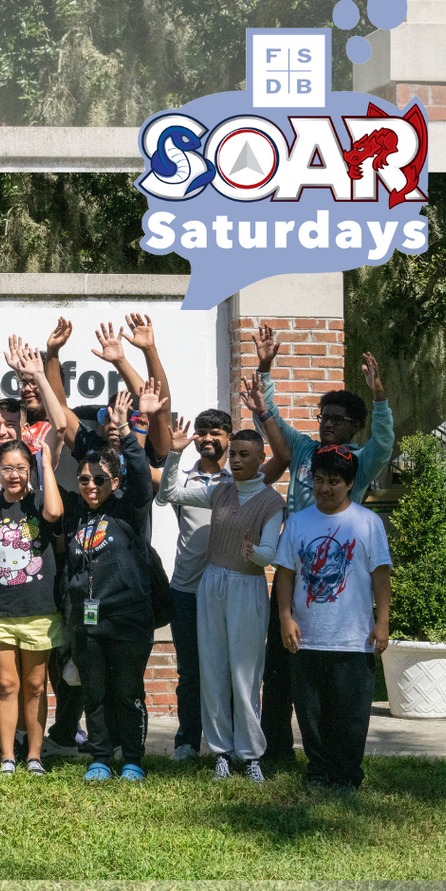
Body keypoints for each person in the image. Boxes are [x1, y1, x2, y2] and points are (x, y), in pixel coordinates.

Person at [252, 325, 394, 763]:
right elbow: (269, 411)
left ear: (354, 425)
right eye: (323, 416)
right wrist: (265, 366)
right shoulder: (303, 450)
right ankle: (275, 752)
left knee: (331, 677)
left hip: (339, 581)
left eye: (337, 418)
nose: (327, 423)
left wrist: (380, 398)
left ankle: (335, 756)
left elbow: (385, 441)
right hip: (293, 572)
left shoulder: (359, 462)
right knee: (279, 667)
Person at [158, 392, 288, 782]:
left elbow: (269, 552)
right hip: (207, 584)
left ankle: (251, 755)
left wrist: (257, 553)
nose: (237, 460)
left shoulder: (270, 500)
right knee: (211, 671)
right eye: (236, 455)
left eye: (245, 455)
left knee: (245, 674)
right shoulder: (220, 490)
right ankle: (221, 753)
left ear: (259, 458)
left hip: (246, 587)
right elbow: (169, 494)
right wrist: (174, 455)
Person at [0, 354, 64, 777]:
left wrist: (43, 462)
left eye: (21, 469)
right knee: (5, 684)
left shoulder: (40, 503)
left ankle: (34, 756)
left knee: (36, 686)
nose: (14, 476)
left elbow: (56, 513)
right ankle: (7, 757)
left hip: (39, 609)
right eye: (8, 469)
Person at [274, 446, 392, 789]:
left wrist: (381, 622)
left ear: (351, 483)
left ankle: (347, 775)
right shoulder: (298, 523)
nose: (325, 488)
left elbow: (381, 576)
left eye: (334, 481)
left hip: (353, 638)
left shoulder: (368, 523)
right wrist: (285, 617)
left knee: (351, 715)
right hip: (307, 636)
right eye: (319, 479)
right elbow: (285, 574)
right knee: (311, 714)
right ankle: (319, 772)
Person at [61, 393, 155, 781]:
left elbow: (141, 477)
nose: (91, 485)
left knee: (128, 691)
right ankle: (100, 755)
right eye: (84, 479)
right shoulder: (78, 515)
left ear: (114, 481)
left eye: (100, 479)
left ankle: (132, 757)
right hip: (88, 620)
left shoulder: (128, 508)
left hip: (128, 617)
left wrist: (128, 434)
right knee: (95, 693)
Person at [162, 407, 234, 761]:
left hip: (227, 589)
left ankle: (231, 744)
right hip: (186, 590)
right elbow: (164, 495)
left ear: (229, 439)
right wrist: (174, 451)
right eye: (202, 432)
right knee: (190, 672)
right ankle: (188, 742)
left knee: (230, 669)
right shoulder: (184, 481)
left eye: (216, 433)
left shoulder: (239, 483)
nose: (207, 438)